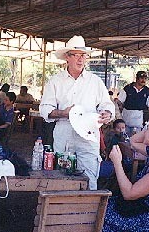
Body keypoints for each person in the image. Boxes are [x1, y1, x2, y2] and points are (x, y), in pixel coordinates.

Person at [40, 35, 114, 190]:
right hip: (64, 136)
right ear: (67, 57)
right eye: (76, 55)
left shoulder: (95, 81)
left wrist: (107, 112)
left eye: (83, 55)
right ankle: (62, 213)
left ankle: (87, 212)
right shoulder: (56, 81)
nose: (81, 59)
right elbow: (45, 109)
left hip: (88, 138)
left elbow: (107, 104)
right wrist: (63, 113)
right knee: (62, 179)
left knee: (89, 179)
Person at [118, 71, 149, 135]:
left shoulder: (147, 91)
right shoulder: (127, 88)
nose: (143, 80)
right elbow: (119, 101)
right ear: (137, 78)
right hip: (126, 117)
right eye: (141, 78)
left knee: (136, 139)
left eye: (145, 78)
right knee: (124, 138)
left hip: (138, 119)